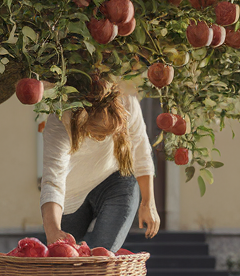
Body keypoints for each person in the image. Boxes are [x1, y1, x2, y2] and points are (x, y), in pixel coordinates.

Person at [40, 73, 159, 251]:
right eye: (95, 134)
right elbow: (52, 180)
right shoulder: (60, 120)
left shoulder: (127, 101)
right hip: (72, 196)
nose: (101, 138)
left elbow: (141, 153)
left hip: (114, 181)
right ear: (81, 116)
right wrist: (52, 229)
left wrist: (148, 203)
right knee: (63, 258)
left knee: (101, 255)